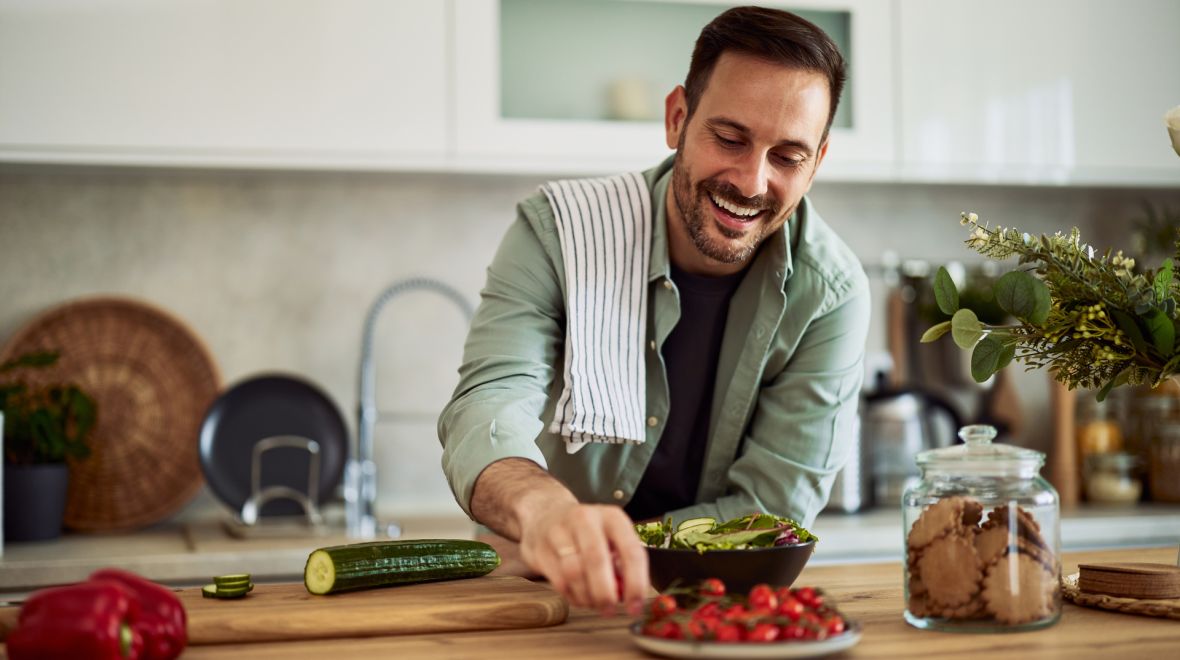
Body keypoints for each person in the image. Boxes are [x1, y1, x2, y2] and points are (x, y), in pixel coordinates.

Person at [437, 5, 870, 614]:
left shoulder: (831, 294)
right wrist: (546, 514)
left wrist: (606, 549)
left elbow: (770, 511)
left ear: (816, 163)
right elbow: (486, 409)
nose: (752, 182)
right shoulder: (558, 233)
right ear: (677, 119)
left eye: (787, 157)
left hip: (708, 608)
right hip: (541, 601)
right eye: (730, 138)